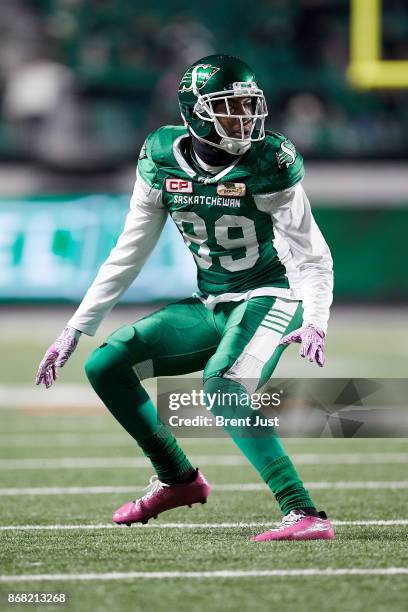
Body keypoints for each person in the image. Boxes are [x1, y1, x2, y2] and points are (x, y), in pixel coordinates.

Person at [36, 54, 334, 542]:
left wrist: (316, 318)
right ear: (196, 113)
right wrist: (75, 328)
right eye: (231, 108)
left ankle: (303, 513)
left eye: (250, 106)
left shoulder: (269, 161)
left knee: (222, 384)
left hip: (272, 295)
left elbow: (312, 258)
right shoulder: (161, 156)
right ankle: (178, 480)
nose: (248, 119)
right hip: (213, 300)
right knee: (105, 365)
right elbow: (129, 251)